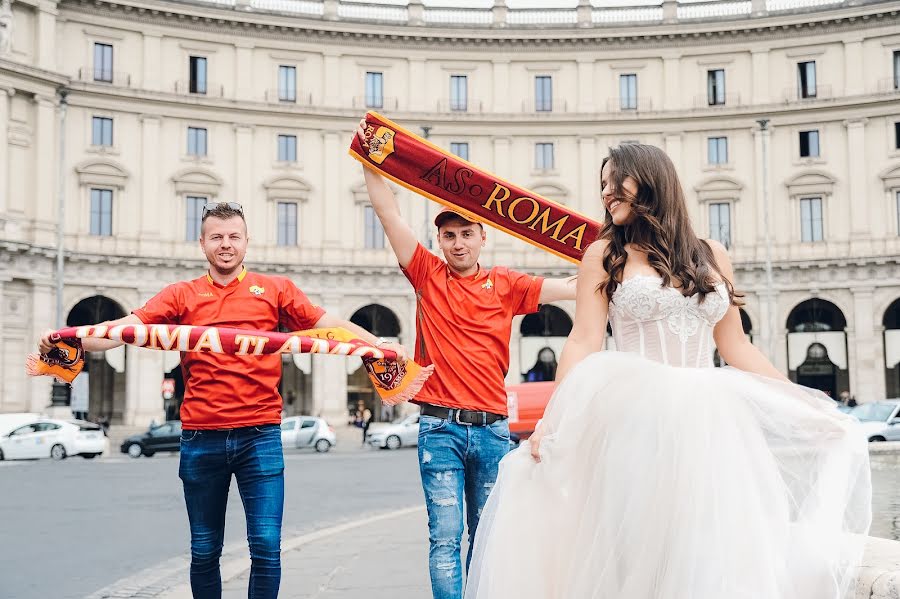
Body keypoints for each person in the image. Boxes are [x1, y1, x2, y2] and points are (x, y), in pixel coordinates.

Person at [464, 144, 872, 599]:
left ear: (648, 180)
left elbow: (735, 344)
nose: (605, 194)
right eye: (601, 186)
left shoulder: (712, 253)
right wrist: (552, 418)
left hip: (711, 424)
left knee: (712, 544)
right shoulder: (603, 255)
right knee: (641, 544)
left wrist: (800, 401)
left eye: (613, 182)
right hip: (636, 421)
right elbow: (583, 339)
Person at [38, 202, 406, 599]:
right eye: (217, 237)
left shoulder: (276, 289)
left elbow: (329, 325)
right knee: (203, 551)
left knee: (266, 549)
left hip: (260, 435)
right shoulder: (182, 294)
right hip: (201, 437)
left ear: (247, 242)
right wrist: (68, 339)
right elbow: (123, 331)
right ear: (202, 244)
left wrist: (378, 344)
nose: (225, 245)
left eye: (233, 237)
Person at [357, 120, 577, 599]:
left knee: (489, 539)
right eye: (448, 235)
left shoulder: (507, 284)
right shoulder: (427, 274)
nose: (456, 243)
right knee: (444, 540)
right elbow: (387, 212)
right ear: (440, 242)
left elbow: (574, 289)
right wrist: (369, 154)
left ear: (483, 238)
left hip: (494, 430)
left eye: (465, 234)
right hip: (440, 429)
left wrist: (624, 269)